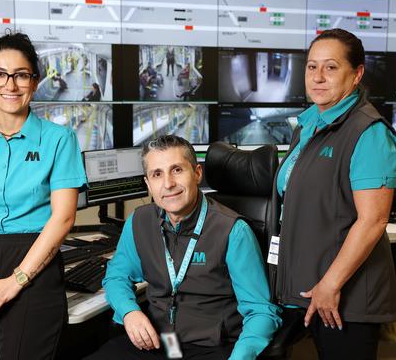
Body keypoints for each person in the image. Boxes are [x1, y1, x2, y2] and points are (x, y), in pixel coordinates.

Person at [0, 32, 87, 359]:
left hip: (34, 258)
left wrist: (17, 280)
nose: (10, 85)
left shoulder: (59, 139)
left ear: (34, 83)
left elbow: (63, 218)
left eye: (21, 75)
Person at [85, 135, 282, 360]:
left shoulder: (233, 230)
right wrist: (129, 312)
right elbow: (117, 276)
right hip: (159, 342)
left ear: (197, 173)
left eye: (177, 170)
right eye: (157, 174)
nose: (168, 184)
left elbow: (260, 312)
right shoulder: (139, 221)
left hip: (210, 346)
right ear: (148, 184)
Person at [272, 28, 396, 359]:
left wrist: (330, 285)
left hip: (344, 296)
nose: (317, 77)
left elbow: (373, 220)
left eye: (330, 67)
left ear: (356, 74)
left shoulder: (368, 133)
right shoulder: (309, 124)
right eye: (311, 67)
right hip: (305, 285)